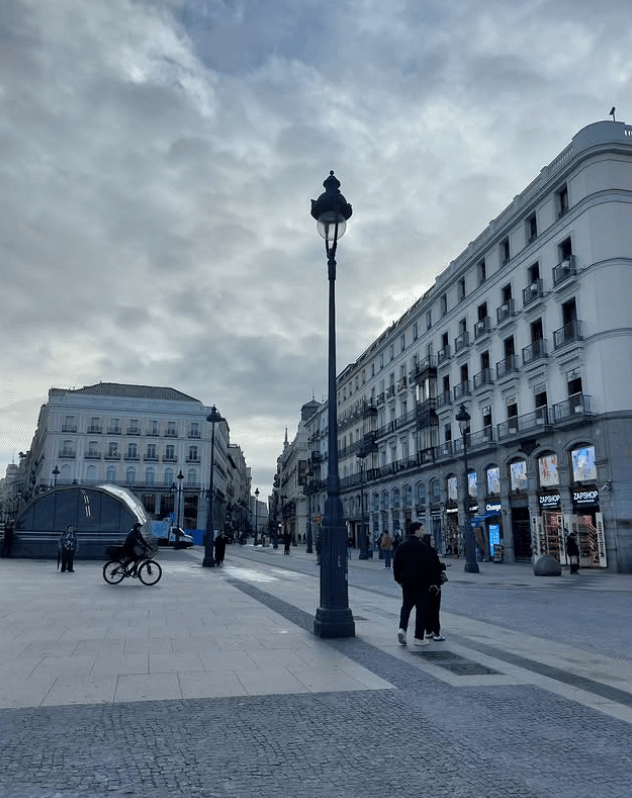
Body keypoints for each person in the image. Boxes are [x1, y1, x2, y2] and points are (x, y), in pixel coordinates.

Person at [393, 521, 435, 646]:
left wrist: (398, 580)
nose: (423, 532)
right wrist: (431, 582)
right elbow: (430, 567)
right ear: (416, 531)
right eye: (422, 529)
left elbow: (396, 565)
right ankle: (418, 637)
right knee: (421, 609)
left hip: (406, 582)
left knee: (406, 606)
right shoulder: (424, 547)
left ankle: (402, 629)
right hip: (421, 583)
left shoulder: (402, 546)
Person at [423, 533, 446, 641]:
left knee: (427, 608)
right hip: (434, 585)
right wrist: (443, 566)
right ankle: (437, 633)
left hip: (425, 585)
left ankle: (428, 631)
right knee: (435, 609)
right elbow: (436, 567)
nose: (433, 541)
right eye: (431, 539)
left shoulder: (422, 553)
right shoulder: (432, 552)